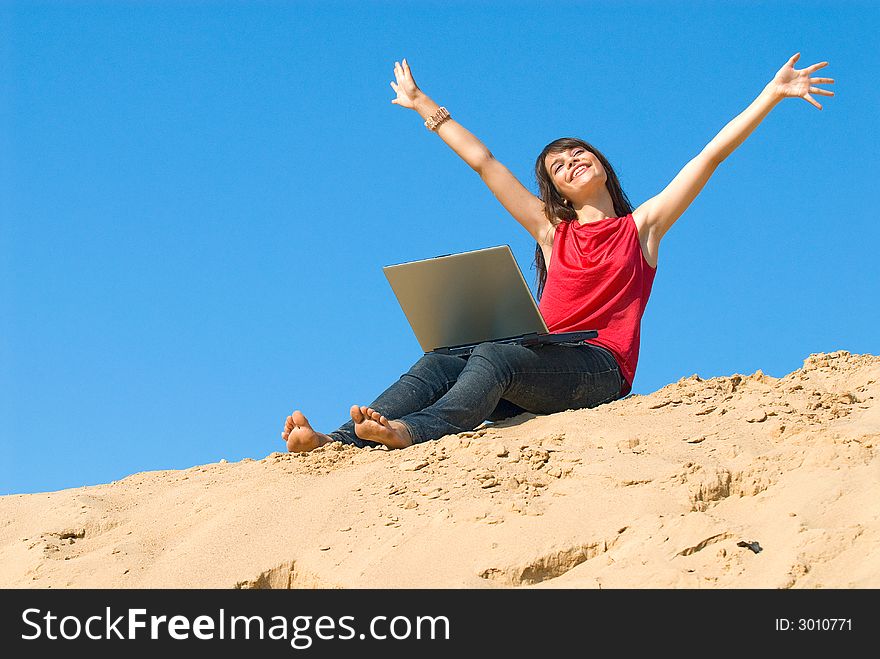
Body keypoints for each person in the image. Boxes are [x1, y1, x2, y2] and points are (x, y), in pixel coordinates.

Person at [283, 53, 834, 453]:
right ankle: (332, 442)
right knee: (444, 356)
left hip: (597, 370)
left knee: (494, 356)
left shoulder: (644, 228)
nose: (571, 161)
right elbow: (485, 164)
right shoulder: (553, 232)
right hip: (534, 361)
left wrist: (770, 94)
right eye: (558, 166)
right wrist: (423, 104)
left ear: (598, 164)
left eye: (577, 153)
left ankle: (410, 433)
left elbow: (709, 157)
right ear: (557, 194)